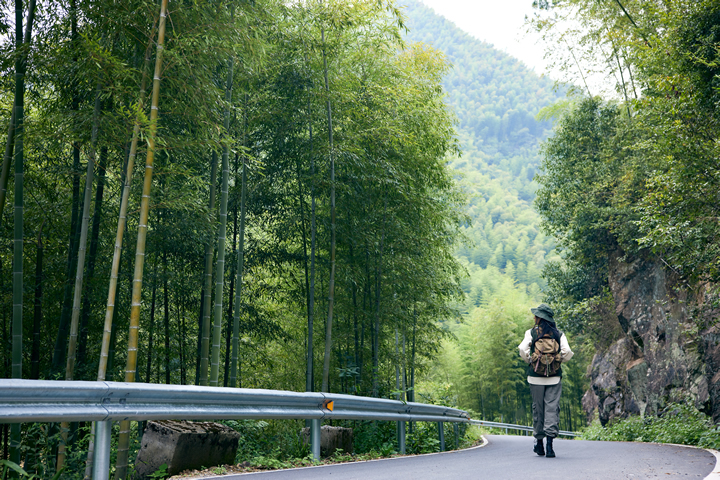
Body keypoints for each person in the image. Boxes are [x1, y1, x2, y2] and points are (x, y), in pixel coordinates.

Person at [518, 303, 573, 458]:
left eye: (536, 315)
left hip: (535, 377)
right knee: (552, 409)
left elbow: (522, 349)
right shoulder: (558, 334)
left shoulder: (531, 333)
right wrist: (558, 361)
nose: (534, 318)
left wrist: (530, 360)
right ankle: (550, 446)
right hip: (554, 378)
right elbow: (567, 352)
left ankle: (539, 444)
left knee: (538, 409)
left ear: (539, 318)